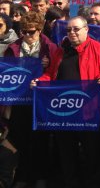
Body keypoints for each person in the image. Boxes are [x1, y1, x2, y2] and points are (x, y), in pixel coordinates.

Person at [32, 16, 100, 188]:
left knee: (91, 149)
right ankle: (71, 182)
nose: (72, 33)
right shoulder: (60, 51)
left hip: (88, 109)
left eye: (76, 29)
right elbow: (50, 74)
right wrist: (40, 81)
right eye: (69, 30)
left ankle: (92, 182)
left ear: (86, 29)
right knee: (66, 150)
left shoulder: (98, 48)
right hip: (64, 110)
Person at [5, 11, 57, 187]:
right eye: (24, 31)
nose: (27, 35)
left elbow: (56, 72)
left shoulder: (49, 47)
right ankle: (23, 176)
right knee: (21, 138)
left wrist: (47, 65)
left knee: (40, 139)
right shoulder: (13, 48)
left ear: (40, 30)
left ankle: (41, 175)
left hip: (40, 100)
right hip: (19, 100)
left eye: (32, 32)